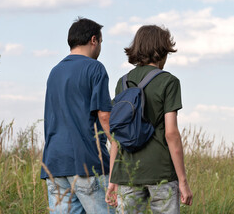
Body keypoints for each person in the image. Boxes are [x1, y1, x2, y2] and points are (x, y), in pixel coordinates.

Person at [106, 25, 193, 213]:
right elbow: (171, 133)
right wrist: (183, 181)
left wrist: (113, 178)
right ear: (162, 50)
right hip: (160, 172)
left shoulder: (122, 83)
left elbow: (116, 136)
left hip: (127, 172)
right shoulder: (168, 82)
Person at [41, 17, 116, 214]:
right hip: (87, 161)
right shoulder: (95, 68)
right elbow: (105, 116)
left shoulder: (54, 72)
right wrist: (118, 146)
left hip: (55, 164)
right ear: (94, 40)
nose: (100, 47)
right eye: (101, 42)